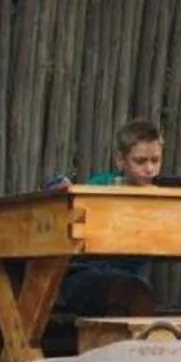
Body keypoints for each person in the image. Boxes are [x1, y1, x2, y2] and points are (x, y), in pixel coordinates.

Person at [49, 117, 165, 317]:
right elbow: (69, 202)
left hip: (127, 277)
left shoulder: (162, 196)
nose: (149, 169)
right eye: (140, 161)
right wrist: (61, 189)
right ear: (120, 160)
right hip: (83, 272)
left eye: (155, 160)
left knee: (135, 292)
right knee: (133, 293)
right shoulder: (102, 184)